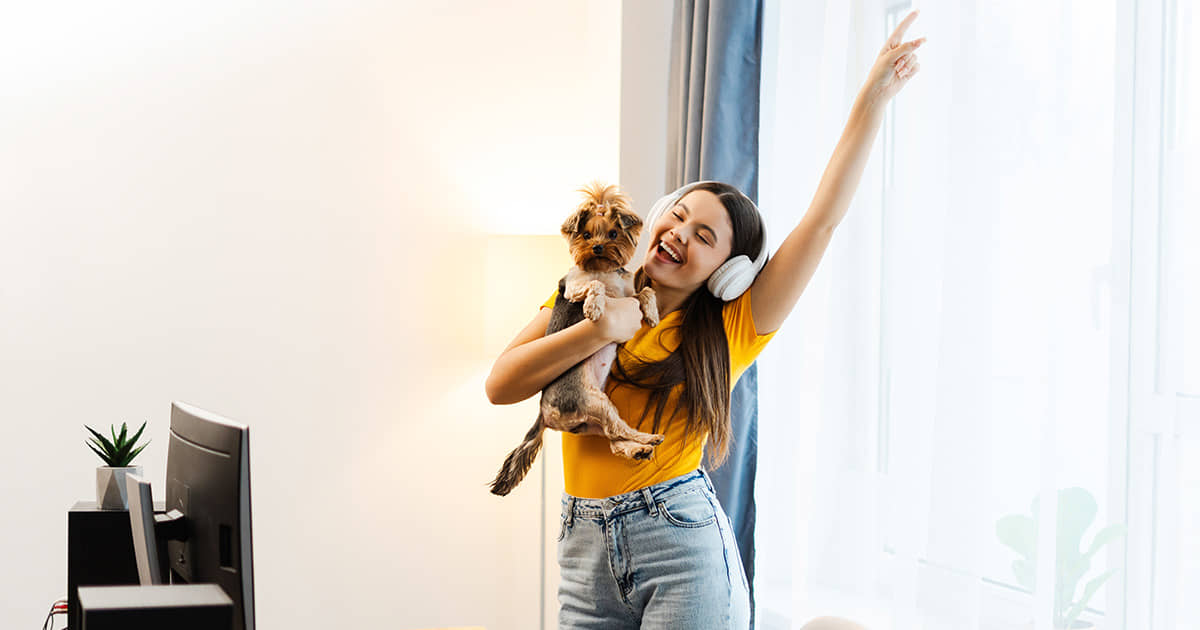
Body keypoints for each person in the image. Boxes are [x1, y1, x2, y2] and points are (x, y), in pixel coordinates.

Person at [485, 9, 925, 629]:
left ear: (728, 272)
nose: (678, 234)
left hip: (680, 544)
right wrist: (597, 330)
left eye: (705, 236)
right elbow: (500, 384)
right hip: (582, 547)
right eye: (678, 216)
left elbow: (823, 219)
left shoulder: (731, 329)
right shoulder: (589, 293)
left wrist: (872, 99)